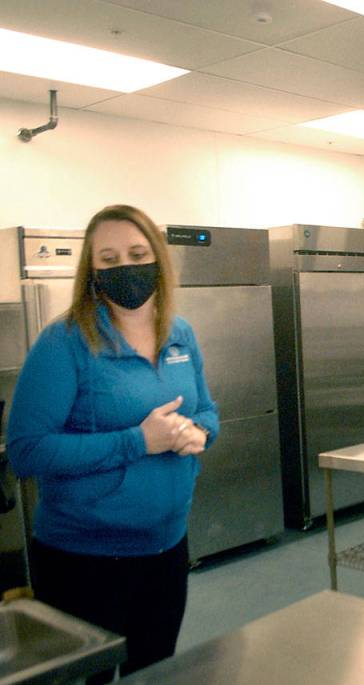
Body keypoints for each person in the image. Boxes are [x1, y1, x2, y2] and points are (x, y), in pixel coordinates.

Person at [7, 204, 218, 681]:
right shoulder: (64, 341)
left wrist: (197, 432)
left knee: (154, 669)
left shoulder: (179, 333)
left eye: (137, 252)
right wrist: (138, 441)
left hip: (166, 549)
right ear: (93, 270)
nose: (126, 265)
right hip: (84, 561)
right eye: (109, 257)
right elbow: (27, 450)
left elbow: (208, 411)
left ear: (158, 259)